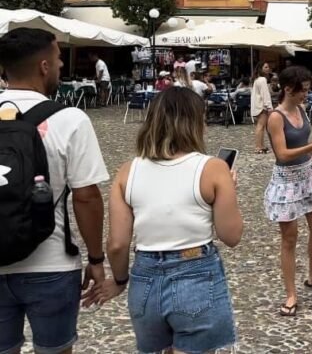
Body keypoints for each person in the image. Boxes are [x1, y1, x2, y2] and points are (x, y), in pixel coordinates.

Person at [94, 88, 243, 352]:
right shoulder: (213, 168)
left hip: (145, 280)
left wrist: (119, 281)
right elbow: (231, 235)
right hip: (196, 273)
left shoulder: (127, 172)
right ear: (195, 123)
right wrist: (229, 192)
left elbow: (116, 244)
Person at [0, 29, 108, 354]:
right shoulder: (70, 119)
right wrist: (96, 258)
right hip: (51, 263)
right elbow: (86, 197)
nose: (62, 65)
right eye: (59, 58)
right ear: (44, 66)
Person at [264, 66, 312, 317]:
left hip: (308, 175)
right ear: (288, 89)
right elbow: (282, 154)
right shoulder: (276, 117)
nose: (306, 94)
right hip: (286, 180)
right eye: (303, 90)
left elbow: (305, 143)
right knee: (289, 238)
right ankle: (290, 294)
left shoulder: (301, 109)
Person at [252, 62, 274, 154]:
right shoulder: (262, 80)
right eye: (265, 67)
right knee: (261, 126)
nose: (268, 68)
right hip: (262, 106)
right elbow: (265, 94)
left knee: (261, 126)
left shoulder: (257, 79)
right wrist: (269, 106)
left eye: (268, 67)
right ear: (260, 68)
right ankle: (258, 147)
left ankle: (261, 145)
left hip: (258, 105)